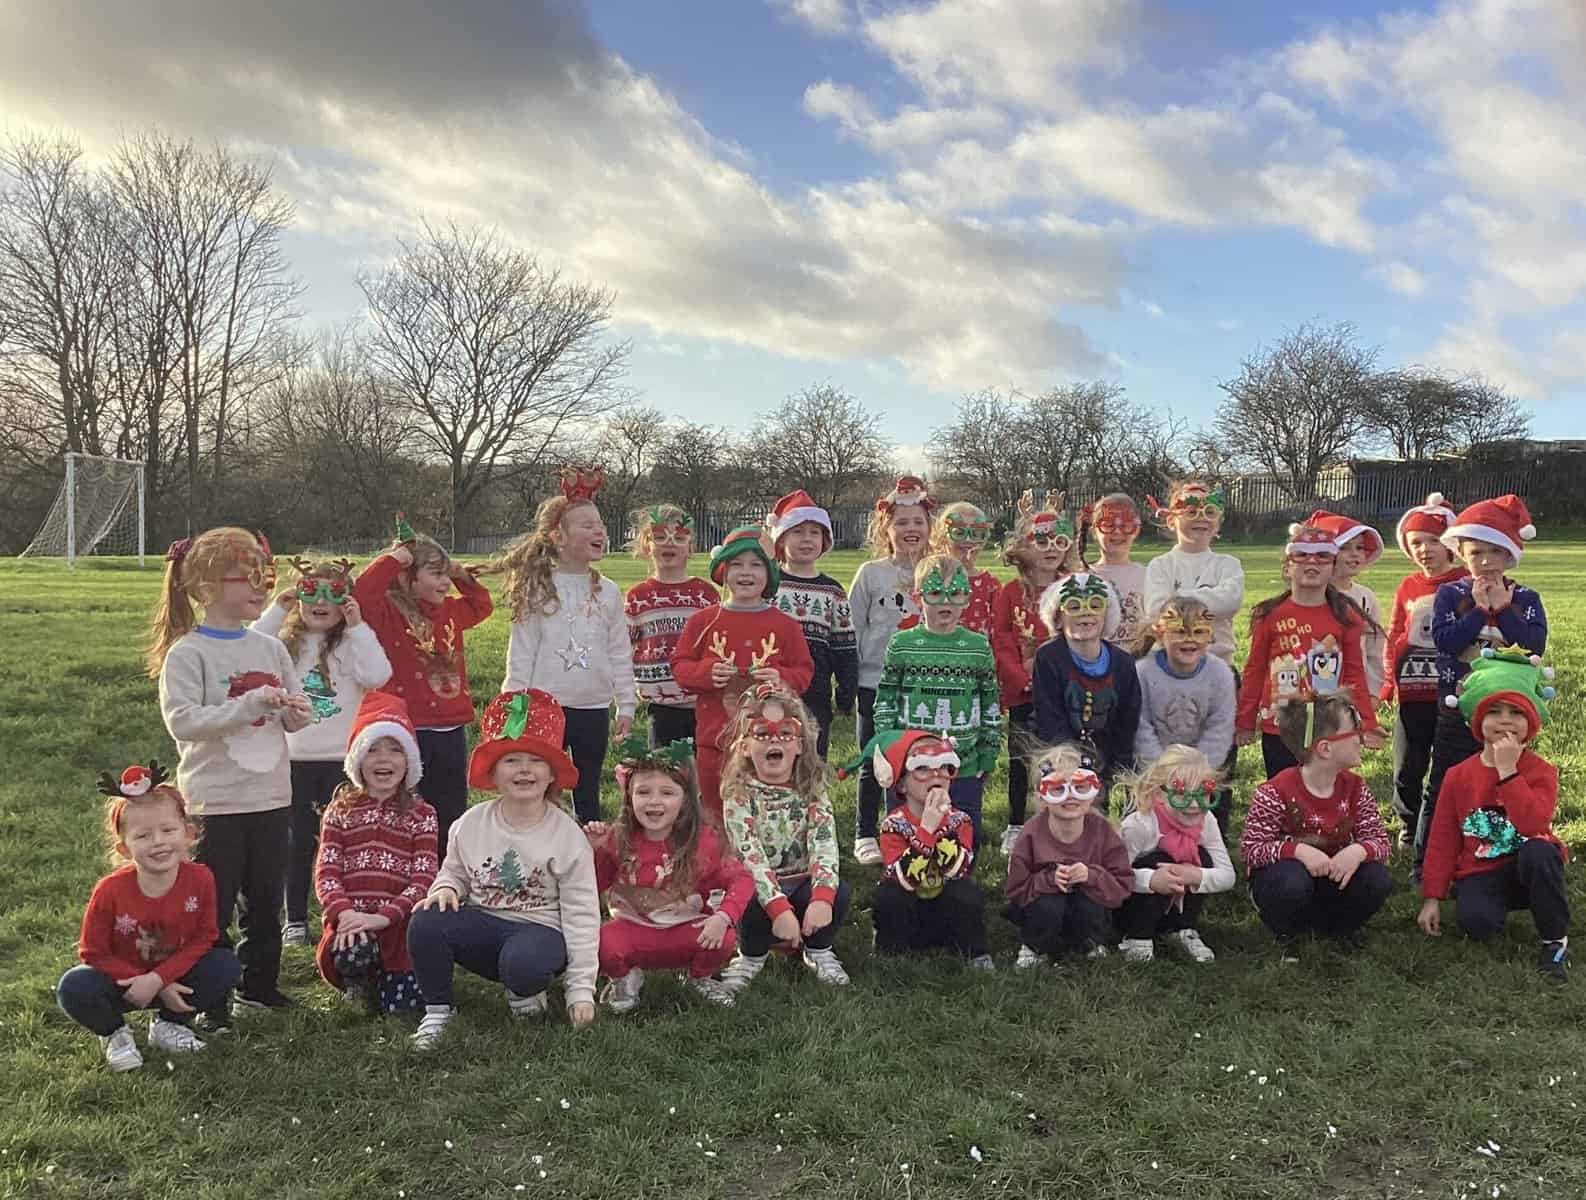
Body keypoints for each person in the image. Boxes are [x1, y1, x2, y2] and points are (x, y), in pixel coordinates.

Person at [149, 528, 310, 1018]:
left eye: (264, 576)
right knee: (211, 908)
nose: (262, 588)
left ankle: (258, 990)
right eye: (247, 578)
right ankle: (208, 1001)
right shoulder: (189, 653)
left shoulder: (270, 648)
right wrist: (248, 705)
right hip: (214, 803)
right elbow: (183, 722)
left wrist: (297, 712)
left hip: (271, 797)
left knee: (265, 902)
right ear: (206, 587)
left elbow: (295, 710)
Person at [407, 689, 601, 1048]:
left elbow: (582, 914)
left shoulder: (567, 836)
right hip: (485, 926)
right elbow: (454, 871)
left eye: (536, 761)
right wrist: (446, 888)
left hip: (541, 931)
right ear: (493, 773)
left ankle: (524, 989)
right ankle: (437, 1010)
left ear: (551, 775)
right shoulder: (470, 823)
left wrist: (580, 991)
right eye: (511, 760)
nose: (524, 769)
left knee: (523, 962)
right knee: (425, 921)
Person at [57, 764, 240, 1071]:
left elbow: (205, 937)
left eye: (168, 830)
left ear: (189, 834)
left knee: (224, 966)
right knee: (74, 986)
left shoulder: (201, 879)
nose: (158, 841)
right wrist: (140, 981)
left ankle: (170, 1025)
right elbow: (92, 951)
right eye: (143, 835)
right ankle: (114, 1033)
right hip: (123, 984)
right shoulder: (110, 890)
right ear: (124, 848)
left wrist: (159, 980)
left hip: (175, 979)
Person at [254, 555, 392, 947]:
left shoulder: (350, 644)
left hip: (342, 762)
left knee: (346, 842)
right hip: (292, 760)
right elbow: (251, 648)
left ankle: (347, 913)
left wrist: (358, 626)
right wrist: (277, 609)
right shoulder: (285, 645)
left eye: (333, 594)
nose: (320, 602)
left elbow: (378, 675)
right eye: (311, 591)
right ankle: (295, 918)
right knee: (296, 843)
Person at [1416, 494, 1548, 873]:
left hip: (1507, 713)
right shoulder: (1450, 594)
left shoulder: (1526, 599)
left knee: (1499, 781)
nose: (1486, 561)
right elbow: (1446, 641)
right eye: (1476, 552)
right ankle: (1426, 864)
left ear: (1510, 556)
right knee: (1443, 783)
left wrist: (1502, 609)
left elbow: (1533, 646)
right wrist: (1478, 611)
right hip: (1457, 707)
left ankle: (1492, 858)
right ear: (1460, 553)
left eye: (1496, 552)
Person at [1418, 648, 1568, 982]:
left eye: (1516, 712)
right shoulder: (1458, 775)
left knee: (1540, 852)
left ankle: (1554, 940)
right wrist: (1433, 897)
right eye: (1494, 711)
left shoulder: (1541, 771)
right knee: (1478, 924)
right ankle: (1486, 904)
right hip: (1482, 869)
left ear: (1530, 722)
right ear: (1477, 720)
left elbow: (1533, 824)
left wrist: (1508, 772)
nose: (1505, 720)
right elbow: (1443, 837)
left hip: (1529, 864)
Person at [495, 467, 635, 824]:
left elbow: (620, 651)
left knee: (587, 787)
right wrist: (515, 704)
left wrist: (627, 704)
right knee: (543, 788)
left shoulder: (609, 592)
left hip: (594, 708)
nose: (599, 531)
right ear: (559, 536)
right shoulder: (538, 589)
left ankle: (589, 845)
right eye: (587, 525)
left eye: (600, 524)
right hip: (545, 708)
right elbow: (521, 652)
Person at [583, 729, 753, 1010]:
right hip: (631, 928)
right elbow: (592, 887)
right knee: (595, 942)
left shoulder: (702, 842)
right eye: (643, 792)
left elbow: (742, 879)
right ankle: (625, 977)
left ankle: (699, 977)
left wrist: (724, 916)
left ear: (685, 799)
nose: (654, 801)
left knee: (724, 938)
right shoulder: (617, 839)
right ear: (629, 797)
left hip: (684, 928)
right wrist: (593, 851)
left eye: (667, 792)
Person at [353, 514, 493, 858]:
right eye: (436, 573)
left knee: (450, 803)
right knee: (407, 802)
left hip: (450, 727)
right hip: (408, 728)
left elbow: (482, 605)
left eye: (446, 574)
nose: (445, 582)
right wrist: (395, 558)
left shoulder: (451, 611)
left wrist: (460, 575)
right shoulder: (387, 613)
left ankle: (446, 864)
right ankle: (401, 860)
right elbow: (363, 593)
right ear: (407, 578)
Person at [672, 526, 814, 817]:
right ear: (723, 570)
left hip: (769, 743)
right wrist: (705, 673)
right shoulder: (704, 622)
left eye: (756, 565)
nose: (746, 572)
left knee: (764, 808)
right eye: (737, 564)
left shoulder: (785, 626)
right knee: (715, 807)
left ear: (769, 573)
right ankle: (718, 844)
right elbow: (680, 665)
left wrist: (781, 678)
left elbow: (804, 670)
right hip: (715, 739)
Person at [1240, 692, 1393, 958]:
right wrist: (1297, 851)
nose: (1360, 737)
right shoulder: (1275, 791)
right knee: (1291, 882)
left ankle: (1339, 928)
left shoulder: (1356, 788)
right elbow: (1251, 849)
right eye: (1354, 730)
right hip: (1290, 880)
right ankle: (1287, 930)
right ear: (1325, 748)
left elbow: (1380, 842)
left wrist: (1358, 851)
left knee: (1377, 878)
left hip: (1333, 877)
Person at [718, 686, 851, 992]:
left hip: (801, 881)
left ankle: (818, 949)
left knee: (840, 892)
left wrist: (822, 898)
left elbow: (824, 844)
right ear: (745, 747)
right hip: (760, 885)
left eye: (786, 733)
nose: (774, 740)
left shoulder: (812, 789)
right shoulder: (738, 795)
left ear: (800, 744)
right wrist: (778, 907)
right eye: (762, 733)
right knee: (745, 893)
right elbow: (750, 857)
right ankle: (750, 955)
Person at [312, 692, 437, 1014]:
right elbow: (327, 873)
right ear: (357, 760)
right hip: (352, 922)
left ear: (409, 761)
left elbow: (424, 879)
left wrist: (385, 916)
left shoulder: (423, 814)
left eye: (395, 749)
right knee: (353, 950)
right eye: (373, 750)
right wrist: (345, 914)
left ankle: (393, 979)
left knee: (404, 1009)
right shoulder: (340, 810)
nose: (384, 759)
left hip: (398, 924)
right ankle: (358, 982)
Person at [871, 553, 1001, 846]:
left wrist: (988, 753)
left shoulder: (977, 647)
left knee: (964, 836)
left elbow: (990, 701)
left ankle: (957, 874)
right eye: (935, 594)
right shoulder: (902, 644)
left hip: (963, 764)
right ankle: (907, 873)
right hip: (911, 764)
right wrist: (888, 749)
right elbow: (886, 698)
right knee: (905, 833)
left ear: (967, 599)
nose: (946, 602)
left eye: (955, 594)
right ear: (918, 597)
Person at [1234, 525, 1382, 779]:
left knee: (1325, 790)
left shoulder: (1346, 617)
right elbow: (1255, 670)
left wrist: (1367, 722)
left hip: (1328, 726)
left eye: (1322, 556)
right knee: (1283, 789)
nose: (1312, 562)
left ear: (1333, 567)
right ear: (1288, 566)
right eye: (1302, 555)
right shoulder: (1269, 615)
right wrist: (1245, 720)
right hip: (1280, 725)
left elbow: (1355, 673)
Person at [849, 476, 935, 864]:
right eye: (901, 522)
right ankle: (865, 832)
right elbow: (853, 628)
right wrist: (851, 680)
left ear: (929, 527)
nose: (910, 529)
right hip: (875, 682)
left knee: (916, 760)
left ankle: (907, 826)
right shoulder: (871, 573)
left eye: (918, 521)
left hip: (920, 684)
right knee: (874, 758)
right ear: (886, 528)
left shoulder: (937, 571)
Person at [1381, 493, 1467, 846]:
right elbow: (1394, 633)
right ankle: (1408, 822)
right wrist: (1389, 681)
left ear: (1450, 544)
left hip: (1452, 692)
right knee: (1407, 765)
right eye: (1416, 542)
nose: (1424, 550)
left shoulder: (1465, 581)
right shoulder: (1409, 585)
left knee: (1448, 765)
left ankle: (1443, 826)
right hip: (1412, 690)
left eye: (1433, 541)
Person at [869, 730, 992, 968]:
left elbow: (958, 870)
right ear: (901, 784)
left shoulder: (960, 820)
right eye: (923, 768)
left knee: (967, 893)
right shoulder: (893, 824)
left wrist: (940, 826)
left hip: (946, 913)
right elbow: (904, 880)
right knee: (889, 896)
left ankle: (975, 952)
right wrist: (926, 830)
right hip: (909, 912)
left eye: (945, 767)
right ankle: (890, 954)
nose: (936, 775)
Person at [989, 489, 1069, 853]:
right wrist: (1022, 679)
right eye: (1041, 541)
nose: (1050, 549)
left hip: (1063, 692)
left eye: (1058, 541)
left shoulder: (1072, 588)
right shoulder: (1010, 592)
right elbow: (1002, 640)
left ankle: (1055, 818)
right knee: (1021, 758)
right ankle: (1016, 822)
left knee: (1060, 754)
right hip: (1022, 692)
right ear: (1025, 546)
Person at [1005, 744, 1133, 967]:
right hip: (1043, 908)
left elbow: (1122, 886)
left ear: (1093, 793)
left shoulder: (1103, 831)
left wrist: (1091, 876)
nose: (1070, 797)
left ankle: (1089, 942)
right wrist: (1048, 880)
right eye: (1058, 789)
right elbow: (1016, 890)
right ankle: (1035, 946)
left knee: (1089, 902)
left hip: (1088, 907)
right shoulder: (1030, 834)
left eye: (1080, 788)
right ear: (1042, 796)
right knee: (1049, 904)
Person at [1117, 745, 1235, 963]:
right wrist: (1151, 880)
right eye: (1181, 795)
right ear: (1159, 793)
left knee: (1203, 858)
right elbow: (1114, 875)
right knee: (1157, 860)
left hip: (1174, 895)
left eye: (1204, 794)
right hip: (1131, 904)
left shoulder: (1207, 820)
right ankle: (1137, 935)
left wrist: (1196, 875)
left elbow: (1228, 875)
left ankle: (1181, 927)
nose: (1194, 804)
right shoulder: (1139, 825)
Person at [1032, 570, 1141, 808]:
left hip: (1108, 753)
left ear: (1107, 614)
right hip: (1060, 754)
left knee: (1102, 813)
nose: (1086, 614)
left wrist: (1120, 769)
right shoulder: (1049, 657)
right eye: (1074, 606)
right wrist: (1072, 764)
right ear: (1058, 618)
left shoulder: (1123, 663)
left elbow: (1127, 720)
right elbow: (1049, 716)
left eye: (1095, 605)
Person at [767, 489, 858, 759]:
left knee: (812, 757)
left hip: (816, 692)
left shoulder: (832, 591)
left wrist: (846, 693)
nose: (807, 539)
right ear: (781, 539)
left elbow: (844, 646)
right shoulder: (768, 585)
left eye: (814, 532)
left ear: (824, 541)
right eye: (797, 532)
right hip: (771, 689)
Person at [623, 503, 719, 747]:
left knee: (704, 766)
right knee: (665, 766)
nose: (669, 544)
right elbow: (625, 648)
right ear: (646, 544)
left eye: (679, 537)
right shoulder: (637, 597)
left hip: (702, 703)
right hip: (661, 705)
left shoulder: (705, 594)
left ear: (690, 546)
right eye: (659, 537)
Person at [1142, 482, 1245, 666]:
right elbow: (1156, 609)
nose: (1201, 517)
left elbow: (1230, 601)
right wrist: (1209, 600)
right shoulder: (1160, 565)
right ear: (1171, 521)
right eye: (1191, 511)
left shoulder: (1228, 564)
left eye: (1209, 512)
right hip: (1171, 665)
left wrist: (1176, 599)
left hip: (1219, 664)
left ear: (1218, 523)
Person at [1306, 510, 1387, 700]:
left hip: (1356, 689)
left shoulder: (1366, 597)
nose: (1354, 554)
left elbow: (1374, 648)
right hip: (1316, 689)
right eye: (1345, 548)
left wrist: (1373, 691)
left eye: (1359, 548)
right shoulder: (1312, 594)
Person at [1085, 494, 1148, 647]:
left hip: (1138, 660)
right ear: (1094, 531)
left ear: (1136, 530)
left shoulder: (1148, 575)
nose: (1117, 532)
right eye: (1108, 525)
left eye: (1125, 526)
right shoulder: (1083, 577)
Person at [929, 501, 1000, 636]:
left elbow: (999, 629)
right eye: (959, 532)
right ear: (943, 537)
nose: (968, 539)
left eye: (976, 533)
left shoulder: (990, 584)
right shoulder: (931, 578)